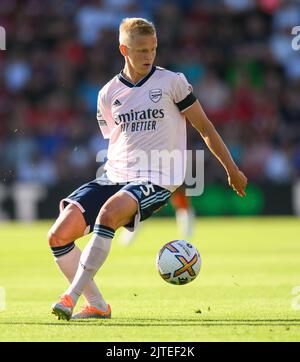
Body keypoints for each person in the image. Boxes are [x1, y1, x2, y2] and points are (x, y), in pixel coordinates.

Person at [49, 17, 247, 321]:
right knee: (59, 235)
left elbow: (205, 126)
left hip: (159, 178)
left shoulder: (172, 82)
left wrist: (232, 169)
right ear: (123, 49)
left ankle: (70, 297)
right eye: (141, 50)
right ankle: (97, 305)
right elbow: (116, 138)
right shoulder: (107, 94)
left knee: (108, 214)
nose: (148, 56)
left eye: (152, 49)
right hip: (114, 176)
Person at [118, 188, 194, 245]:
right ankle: (129, 234)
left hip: (171, 170)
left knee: (180, 197)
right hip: (152, 171)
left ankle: (187, 236)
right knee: (144, 201)